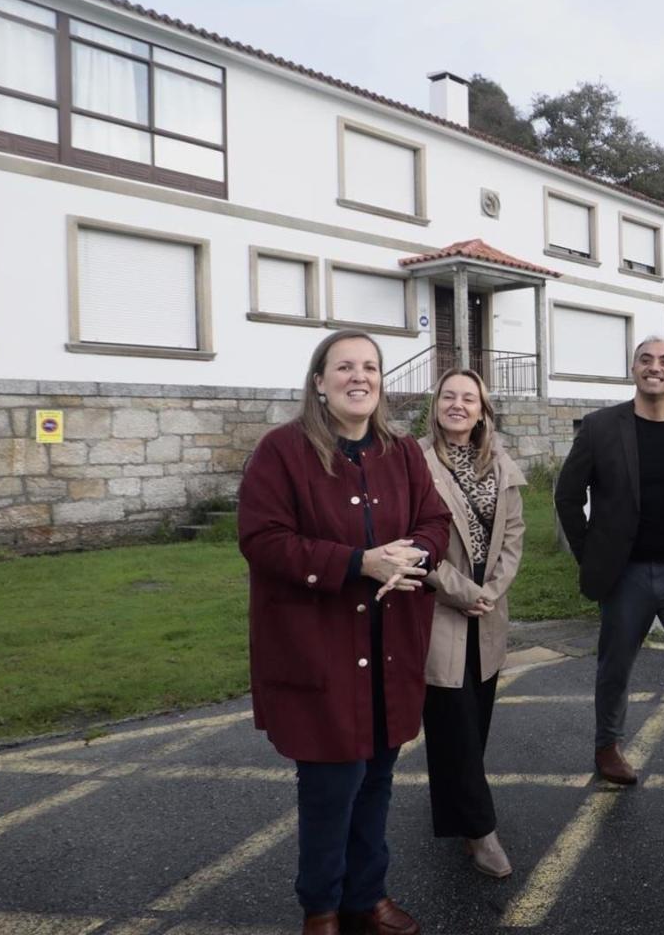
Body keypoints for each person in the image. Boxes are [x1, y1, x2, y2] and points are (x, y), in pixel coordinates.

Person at [239, 329, 451, 935]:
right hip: (320, 650)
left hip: (390, 648)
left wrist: (414, 555)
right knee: (332, 788)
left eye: (371, 367)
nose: (360, 377)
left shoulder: (402, 451)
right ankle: (322, 909)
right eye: (345, 367)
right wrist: (359, 563)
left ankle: (367, 896)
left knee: (378, 780)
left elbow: (434, 521)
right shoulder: (282, 451)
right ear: (319, 382)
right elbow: (261, 540)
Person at [552, 337, 664, 815]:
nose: (655, 368)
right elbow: (567, 496)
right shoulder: (599, 428)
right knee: (615, 668)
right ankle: (607, 746)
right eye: (646, 359)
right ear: (633, 369)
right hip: (624, 575)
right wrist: (590, 553)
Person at [418, 369, 526, 878]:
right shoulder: (414, 462)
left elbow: (513, 534)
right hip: (440, 610)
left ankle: (457, 809)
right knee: (453, 721)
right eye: (449, 396)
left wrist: (491, 591)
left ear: (482, 410)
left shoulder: (499, 463)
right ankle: (481, 832)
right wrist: (463, 592)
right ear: (435, 404)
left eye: (469, 398)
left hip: (487, 612)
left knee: (473, 721)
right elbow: (412, 542)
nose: (458, 405)